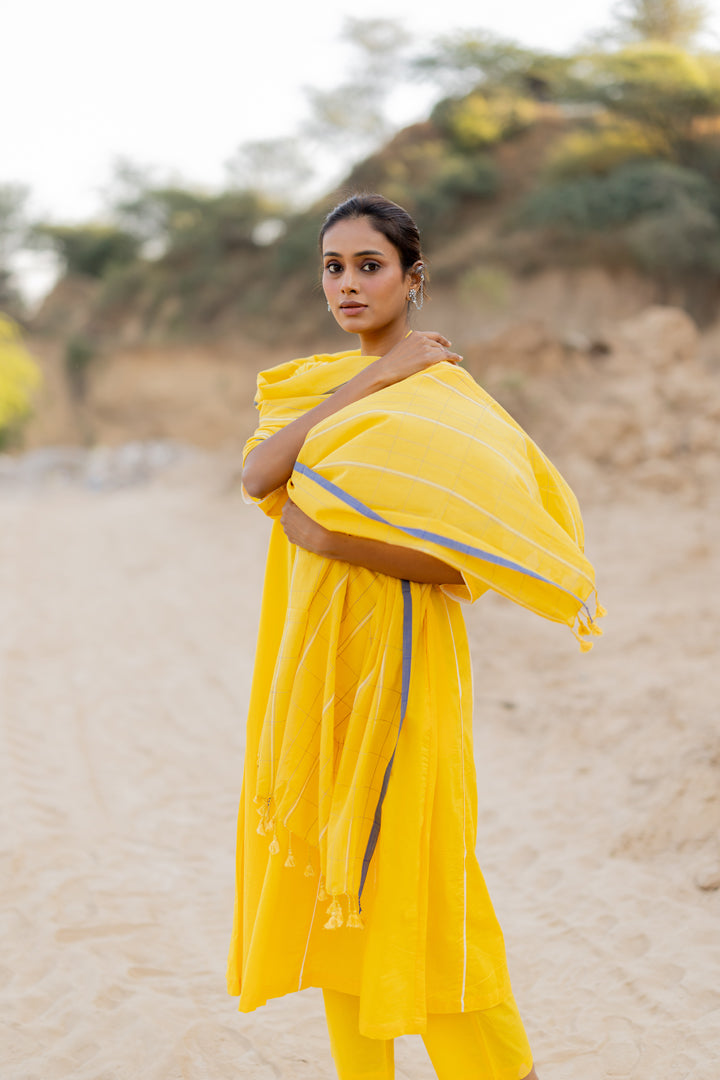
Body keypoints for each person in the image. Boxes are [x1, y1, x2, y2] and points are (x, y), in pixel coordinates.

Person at [227, 193, 601, 1079]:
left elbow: (472, 566)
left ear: (412, 276)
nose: (349, 283)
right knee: (339, 883)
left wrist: (334, 539)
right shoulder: (319, 387)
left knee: (427, 883)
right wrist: (374, 377)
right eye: (333, 267)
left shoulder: (451, 404)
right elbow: (256, 474)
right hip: (321, 674)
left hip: (406, 674)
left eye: (370, 265)